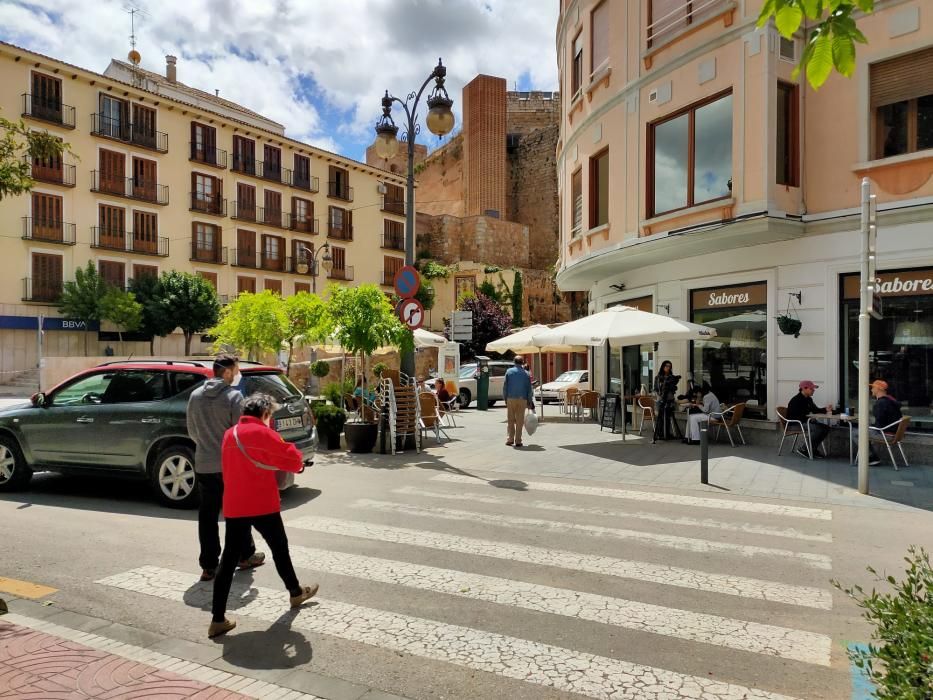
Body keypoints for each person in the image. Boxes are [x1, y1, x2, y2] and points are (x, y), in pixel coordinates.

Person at [208, 393, 317, 638]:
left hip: (235, 504)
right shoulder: (265, 434)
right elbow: (292, 460)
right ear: (265, 413)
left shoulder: (230, 434)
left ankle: (217, 619)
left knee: (228, 560)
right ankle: (295, 591)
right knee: (280, 548)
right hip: (261, 503)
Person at [188, 354, 264, 582]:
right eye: (237, 370)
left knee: (208, 515)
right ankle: (244, 555)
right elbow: (240, 434)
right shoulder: (234, 397)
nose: (238, 374)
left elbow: (192, 431)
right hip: (229, 465)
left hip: (203, 463)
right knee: (238, 511)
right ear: (228, 372)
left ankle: (209, 566)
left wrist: (206, 445)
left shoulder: (195, 396)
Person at [852, 379, 903, 466]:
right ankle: (871, 456)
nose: (871, 390)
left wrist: (870, 426)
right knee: (863, 431)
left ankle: (871, 458)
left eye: (873, 388)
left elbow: (880, 421)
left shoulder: (881, 403)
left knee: (855, 432)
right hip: (893, 433)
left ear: (878, 389)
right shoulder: (890, 400)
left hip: (885, 434)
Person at [786, 380, 832, 458]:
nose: (813, 390)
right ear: (804, 388)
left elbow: (815, 410)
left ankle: (812, 449)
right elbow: (796, 416)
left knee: (826, 428)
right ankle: (804, 449)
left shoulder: (808, 399)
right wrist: (810, 419)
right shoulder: (796, 400)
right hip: (795, 424)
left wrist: (826, 409)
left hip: (804, 422)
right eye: (811, 389)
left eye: (813, 389)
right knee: (819, 429)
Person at [503, 356, 535, 447]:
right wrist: (529, 401)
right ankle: (518, 440)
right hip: (523, 399)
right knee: (520, 420)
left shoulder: (509, 372)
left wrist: (505, 398)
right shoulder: (526, 373)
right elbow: (529, 389)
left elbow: (505, 386)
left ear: (514, 362)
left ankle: (510, 439)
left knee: (511, 419)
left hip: (511, 398)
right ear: (522, 362)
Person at [653, 360, 683, 442]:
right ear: (663, 366)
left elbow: (673, 388)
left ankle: (667, 433)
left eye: (670, 366)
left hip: (669, 399)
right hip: (661, 400)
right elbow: (655, 389)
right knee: (660, 417)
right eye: (666, 366)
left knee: (668, 417)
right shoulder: (658, 377)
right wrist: (659, 395)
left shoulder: (672, 377)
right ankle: (660, 434)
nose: (668, 368)